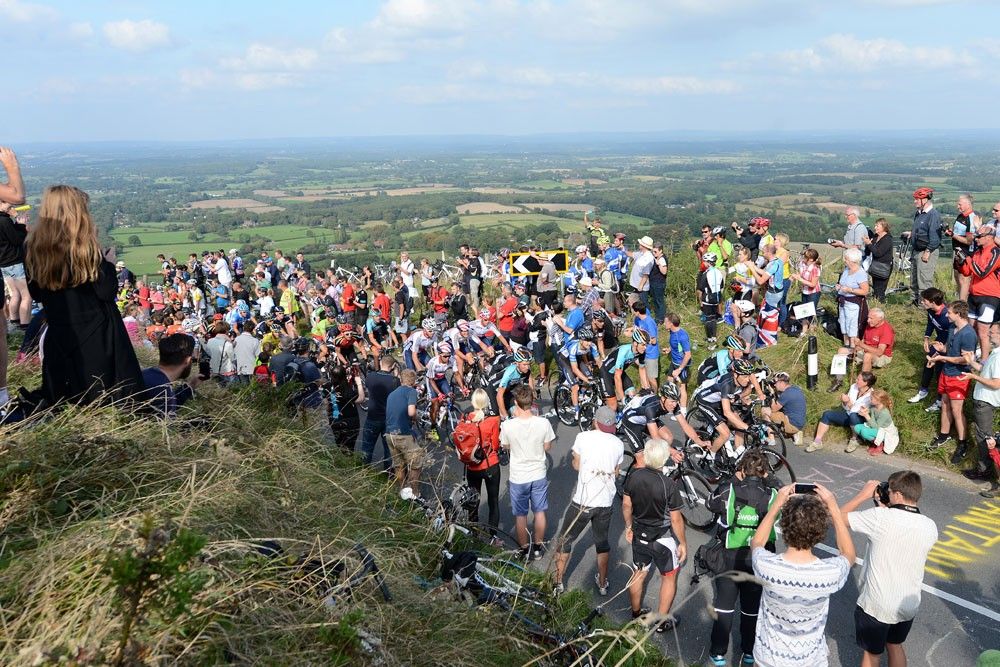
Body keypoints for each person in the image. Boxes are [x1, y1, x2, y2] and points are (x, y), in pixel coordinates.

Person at [23, 185, 143, 409]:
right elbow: (106, 292)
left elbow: (36, 293)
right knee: (109, 398)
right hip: (98, 332)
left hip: (59, 330)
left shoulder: (32, 248)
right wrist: (105, 262)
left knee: (67, 397)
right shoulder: (85, 249)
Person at [839, 472, 938, 667]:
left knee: (872, 655)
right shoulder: (930, 526)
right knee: (895, 644)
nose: (888, 494)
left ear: (899, 495)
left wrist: (863, 495)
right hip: (908, 604)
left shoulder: (880, 518)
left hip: (878, 604)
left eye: (890, 491)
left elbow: (838, 518)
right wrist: (885, 508)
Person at [751, 484, 855, 667]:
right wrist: (833, 508)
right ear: (820, 532)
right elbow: (848, 554)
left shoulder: (766, 566)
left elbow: (757, 541)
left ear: (784, 527)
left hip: (768, 656)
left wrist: (776, 505)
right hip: (810, 659)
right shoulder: (829, 573)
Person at [704, 450, 778, 667]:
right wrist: (769, 479)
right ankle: (749, 652)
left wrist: (733, 479)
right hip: (759, 558)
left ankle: (718, 654)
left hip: (730, 556)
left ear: (742, 470)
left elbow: (710, 503)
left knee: (724, 607)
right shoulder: (773, 495)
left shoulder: (729, 490)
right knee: (752, 609)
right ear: (764, 471)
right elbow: (785, 497)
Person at [553, 405, 624, 596]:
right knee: (602, 543)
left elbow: (576, 465)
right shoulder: (618, 444)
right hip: (605, 503)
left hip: (583, 501)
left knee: (565, 540)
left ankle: (558, 582)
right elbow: (616, 472)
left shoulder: (583, 437)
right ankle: (602, 583)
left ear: (594, 421)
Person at [622, 438, 687, 632]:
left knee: (638, 573)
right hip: (662, 538)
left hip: (639, 533)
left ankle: (635, 614)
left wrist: (628, 527)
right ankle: (661, 621)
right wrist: (682, 542)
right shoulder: (668, 484)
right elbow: (676, 519)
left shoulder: (633, 476)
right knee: (669, 577)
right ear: (665, 458)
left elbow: (626, 505)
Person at [500, 384, 556, 561]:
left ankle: (525, 550)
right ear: (532, 402)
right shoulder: (543, 423)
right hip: (538, 473)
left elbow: (505, 446)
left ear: (516, 402)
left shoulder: (508, 426)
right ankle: (538, 548)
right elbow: (548, 446)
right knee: (539, 512)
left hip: (518, 476)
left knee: (521, 515)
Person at [926, 300, 978, 465]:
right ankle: (944, 434)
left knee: (957, 410)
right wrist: (939, 354)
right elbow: (950, 348)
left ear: (959, 314)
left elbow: (965, 361)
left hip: (959, 376)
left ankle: (962, 443)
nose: (946, 315)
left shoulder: (969, 334)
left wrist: (943, 357)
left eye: (949, 313)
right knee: (945, 405)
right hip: (946, 373)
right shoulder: (951, 328)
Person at [463, 389, 503, 543]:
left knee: (473, 498)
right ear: (486, 402)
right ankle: (493, 536)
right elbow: (494, 445)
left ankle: (473, 532)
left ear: (472, 402)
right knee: (493, 501)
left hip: (472, 466)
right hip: (490, 464)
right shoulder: (493, 420)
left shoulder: (466, 418)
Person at [807, 371, 875, 453]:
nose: (856, 380)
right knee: (827, 414)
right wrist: (844, 401)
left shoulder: (870, 395)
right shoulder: (854, 386)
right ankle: (817, 441)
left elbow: (857, 411)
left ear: (866, 383)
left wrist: (848, 402)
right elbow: (846, 407)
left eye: (858, 379)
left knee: (853, 415)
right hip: (848, 414)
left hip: (860, 420)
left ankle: (855, 439)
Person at [961, 223, 1000, 360]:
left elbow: (983, 272)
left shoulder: (996, 252)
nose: (976, 239)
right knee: (971, 329)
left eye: (979, 236)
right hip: (974, 294)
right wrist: (960, 262)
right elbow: (967, 272)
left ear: (989, 237)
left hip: (989, 297)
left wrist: (969, 261)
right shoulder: (977, 252)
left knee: (983, 331)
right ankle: (969, 357)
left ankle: (984, 361)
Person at [138, 333, 201, 417]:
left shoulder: (147, 374)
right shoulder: (164, 392)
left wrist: (191, 386)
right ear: (188, 360)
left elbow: (167, 402)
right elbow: (168, 427)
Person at [908, 287, 950, 410]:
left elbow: (954, 334)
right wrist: (926, 338)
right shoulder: (931, 310)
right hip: (939, 341)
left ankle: (940, 400)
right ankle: (923, 391)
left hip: (948, 344)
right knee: (928, 362)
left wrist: (944, 349)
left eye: (924, 300)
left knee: (940, 369)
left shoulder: (947, 315)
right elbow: (930, 323)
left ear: (932, 301)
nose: (922, 302)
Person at [385, 369, 425, 497]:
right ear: (413, 382)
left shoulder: (392, 394)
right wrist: (415, 417)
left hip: (390, 435)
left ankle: (402, 491)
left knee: (399, 465)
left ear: (401, 380)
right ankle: (415, 493)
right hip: (403, 434)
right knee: (415, 463)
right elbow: (411, 412)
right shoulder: (411, 391)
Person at [904, 187, 943, 305]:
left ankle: (925, 305)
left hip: (926, 251)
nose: (915, 201)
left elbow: (935, 236)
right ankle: (914, 301)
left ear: (925, 200)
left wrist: (928, 251)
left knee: (924, 279)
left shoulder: (933, 215)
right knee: (914, 278)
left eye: (917, 199)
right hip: (916, 249)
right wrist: (912, 234)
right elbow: (922, 230)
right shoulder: (919, 213)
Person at [359, 355, 400, 468]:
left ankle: (364, 469)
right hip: (388, 420)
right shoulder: (395, 381)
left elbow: (368, 385)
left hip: (372, 417)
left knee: (367, 446)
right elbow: (397, 391)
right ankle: (388, 472)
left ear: (381, 363)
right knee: (389, 449)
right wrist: (396, 373)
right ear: (392, 366)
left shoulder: (370, 377)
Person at [835, 248, 870, 352]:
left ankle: (853, 346)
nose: (844, 260)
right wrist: (839, 286)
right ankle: (846, 343)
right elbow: (843, 283)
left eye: (846, 258)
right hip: (843, 301)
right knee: (843, 321)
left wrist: (850, 290)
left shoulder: (860, 273)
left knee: (852, 324)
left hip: (853, 302)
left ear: (852, 260)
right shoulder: (846, 270)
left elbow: (865, 291)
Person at [326, 364, 365, 455]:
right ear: (344, 376)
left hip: (335, 419)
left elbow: (327, 403)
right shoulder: (347, 390)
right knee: (349, 448)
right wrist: (359, 383)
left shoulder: (329, 386)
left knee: (340, 445)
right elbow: (361, 399)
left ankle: (343, 461)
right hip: (349, 422)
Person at [764, 371, 806, 446]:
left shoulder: (786, 394)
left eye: (775, 383)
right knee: (781, 412)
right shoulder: (795, 389)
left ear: (782, 383)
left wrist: (772, 394)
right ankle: (794, 433)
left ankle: (771, 438)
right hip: (799, 423)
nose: (774, 385)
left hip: (792, 424)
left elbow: (774, 409)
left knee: (764, 410)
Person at [951, 194, 980, 301]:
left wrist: (952, 235)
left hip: (967, 253)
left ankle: (962, 308)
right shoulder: (960, 216)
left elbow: (968, 241)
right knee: (957, 277)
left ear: (968, 204)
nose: (957, 206)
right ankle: (962, 302)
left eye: (960, 204)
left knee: (964, 280)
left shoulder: (971, 218)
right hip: (958, 252)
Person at [853, 389, 898, 456]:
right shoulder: (874, 407)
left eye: (872, 399)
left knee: (864, 431)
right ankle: (875, 443)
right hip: (877, 428)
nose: (870, 400)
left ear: (878, 401)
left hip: (885, 431)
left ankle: (880, 444)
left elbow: (876, 427)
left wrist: (866, 415)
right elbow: (872, 419)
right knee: (857, 427)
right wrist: (865, 410)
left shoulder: (884, 413)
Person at [851, 308, 895, 373]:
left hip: (882, 356)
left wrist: (861, 344)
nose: (868, 320)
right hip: (866, 350)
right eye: (868, 318)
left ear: (880, 319)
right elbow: (864, 340)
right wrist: (857, 347)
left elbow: (880, 352)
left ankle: (864, 380)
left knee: (867, 356)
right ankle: (838, 379)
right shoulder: (870, 325)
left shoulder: (886, 330)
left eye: (871, 318)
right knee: (842, 350)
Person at [697, 252, 725, 348]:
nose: (703, 263)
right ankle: (714, 337)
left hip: (708, 299)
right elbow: (721, 286)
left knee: (708, 319)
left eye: (704, 261)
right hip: (717, 298)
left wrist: (700, 301)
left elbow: (701, 289)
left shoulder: (706, 274)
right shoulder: (719, 272)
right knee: (714, 318)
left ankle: (710, 339)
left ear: (708, 262)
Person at [665, 313, 692, 410]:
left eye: (665, 322)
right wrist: (670, 349)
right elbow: (677, 346)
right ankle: (672, 406)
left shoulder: (682, 336)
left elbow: (688, 354)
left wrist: (679, 370)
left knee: (682, 387)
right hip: (674, 362)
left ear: (671, 323)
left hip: (681, 365)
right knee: (670, 383)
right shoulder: (672, 332)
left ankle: (683, 411)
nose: (664, 324)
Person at [632, 301, 660, 390]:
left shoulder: (649, 322)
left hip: (651, 354)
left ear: (637, 311)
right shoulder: (638, 320)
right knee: (644, 374)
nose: (632, 312)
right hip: (642, 352)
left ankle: (655, 395)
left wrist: (642, 342)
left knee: (652, 378)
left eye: (633, 311)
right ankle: (647, 392)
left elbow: (654, 340)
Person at [866, 218, 894, 302]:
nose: (875, 228)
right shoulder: (876, 236)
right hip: (876, 265)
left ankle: (881, 305)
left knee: (880, 289)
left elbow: (878, 253)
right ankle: (876, 304)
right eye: (875, 226)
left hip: (884, 266)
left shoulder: (887, 239)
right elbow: (871, 250)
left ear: (883, 227)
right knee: (876, 287)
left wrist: (869, 244)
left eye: (877, 226)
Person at [627, 236, 655, 306]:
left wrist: (641, 286)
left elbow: (646, 274)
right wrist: (622, 248)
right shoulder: (641, 254)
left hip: (641, 286)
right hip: (637, 284)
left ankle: (647, 316)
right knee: (637, 303)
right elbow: (631, 254)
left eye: (640, 244)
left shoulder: (648, 258)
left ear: (644, 246)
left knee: (643, 304)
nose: (639, 244)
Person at [648, 242, 668, 323]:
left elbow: (664, 272)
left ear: (661, 251)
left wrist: (658, 264)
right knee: (656, 300)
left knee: (659, 301)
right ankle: (658, 317)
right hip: (655, 283)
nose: (654, 253)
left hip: (659, 283)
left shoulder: (662, 259)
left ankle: (660, 318)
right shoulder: (658, 258)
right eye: (653, 251)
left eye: (655, 252)